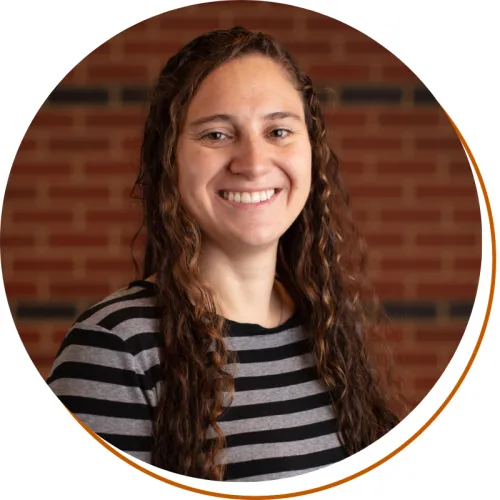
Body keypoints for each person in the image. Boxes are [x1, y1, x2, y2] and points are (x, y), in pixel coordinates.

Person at [47, 26, 404, 482]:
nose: (253, 163)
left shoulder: (328, 330)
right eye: (216, 134)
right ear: (170, 160)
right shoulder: (116, 348)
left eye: (278, 131)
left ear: (312, 152)